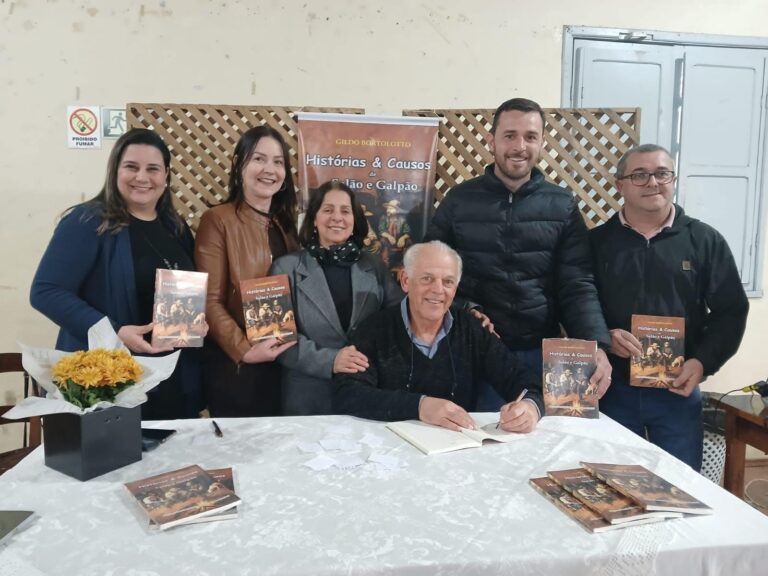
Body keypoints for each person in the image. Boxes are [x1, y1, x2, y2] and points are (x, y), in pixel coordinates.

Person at [426, 97, 611, 410]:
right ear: (492, 141)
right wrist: (465, 308)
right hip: (475, 353)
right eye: (510, 135)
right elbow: (429, 275)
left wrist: (596, 344)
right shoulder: (459, 201)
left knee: (547, 440)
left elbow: (577, 283)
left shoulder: (562, 205)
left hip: (544, 356)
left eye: (530, 137)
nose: (519, 146)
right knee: (478, 435)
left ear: (542, 143)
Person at [589, 143, 749, 470]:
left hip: (677, 389)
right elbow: (578, 302)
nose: (653, 182)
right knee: (611, 481)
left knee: (679, 485)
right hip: (610, 388)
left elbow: (731, 310)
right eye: (639, 175)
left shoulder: (705, 241)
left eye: (662, 173)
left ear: (673, 180)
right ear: (619, 185)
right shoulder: (596, 243)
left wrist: (703, 362)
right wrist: (603, 338)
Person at [30, 128, 204, 419]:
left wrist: (196, 322)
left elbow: (184, 288)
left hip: (171, 379)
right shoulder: (87, 221)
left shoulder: (175, 227)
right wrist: (115, 332)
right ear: (115, 171)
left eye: (153, 169)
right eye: (131, 167)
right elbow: (45, 292)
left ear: (166, 175)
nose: (142, 177)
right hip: (111, 383)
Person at [333, 241, 543, 432]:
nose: (438, 290)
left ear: (455, 289)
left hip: (457, 448)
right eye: (427, 279)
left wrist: (530, 407)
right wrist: (419, 406)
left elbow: (522, 379)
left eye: (448, 282)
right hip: (389, 448)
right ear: (405, 281)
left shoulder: (472, 329)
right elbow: (348, 394)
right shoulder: (374, 329)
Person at [270, 180, 402, 415]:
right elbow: (274, 337)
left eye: (345, 211)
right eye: (328, 210)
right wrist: (330, 360)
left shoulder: (373, 266)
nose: (337, 217)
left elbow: (399, 316)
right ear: (314, 218)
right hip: (306, 398)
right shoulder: (284, 268)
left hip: (365, 393)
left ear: (354, 220)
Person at [194, 126, 299, 417]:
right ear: (239, 164)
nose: (269, 169)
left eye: (278, 162)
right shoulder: (218, 220)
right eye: (259, 159)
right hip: (238, 367)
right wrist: (243, 349)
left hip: (284, 362)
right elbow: (208, 299)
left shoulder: (286, 225)